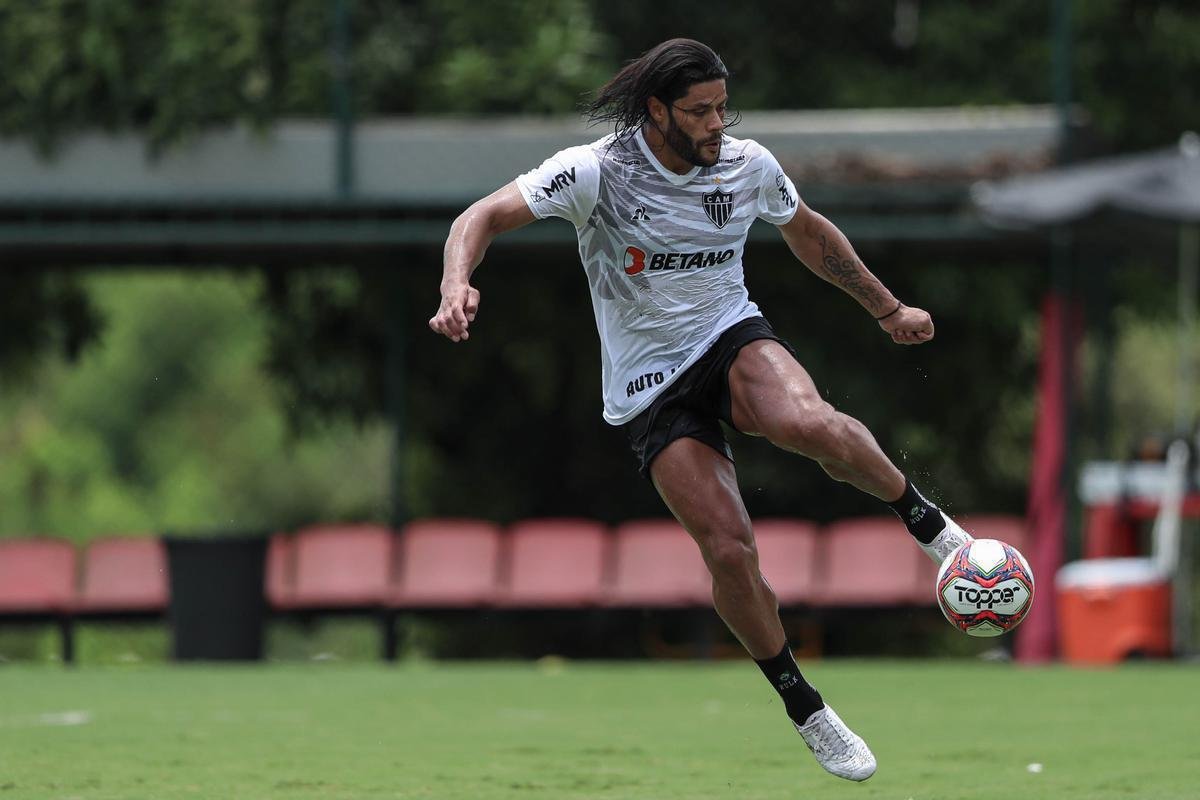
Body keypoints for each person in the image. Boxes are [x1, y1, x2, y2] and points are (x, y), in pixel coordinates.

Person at [430, 38, 974, 783]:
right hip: (650, 387)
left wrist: (887, 308)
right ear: (657, 111)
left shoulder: (748, 164)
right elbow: (481, 215)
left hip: (729, 334)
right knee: (729, 549)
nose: (717, 123)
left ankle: (933, 529)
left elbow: (808, 233)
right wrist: (454, 285)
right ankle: (806, 708)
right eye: (699, 111)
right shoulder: (596, 171)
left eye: (722, 107)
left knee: (806, 421)